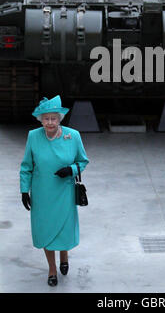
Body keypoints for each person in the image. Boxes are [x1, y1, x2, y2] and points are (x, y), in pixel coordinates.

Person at [19, 95, 89, 287]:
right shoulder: (33, 136)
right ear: (40, 119)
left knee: (64, 230)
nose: (50, 122)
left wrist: (71, 170)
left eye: (53, 118)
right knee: (45, 231)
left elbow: (83, 161)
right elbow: (26, 166)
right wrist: (24, 190)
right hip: (42, 194)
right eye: (46, 118)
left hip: (64, 192)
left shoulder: (73, 136)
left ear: (60, 119)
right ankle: (51, 269)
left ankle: (64, 256)